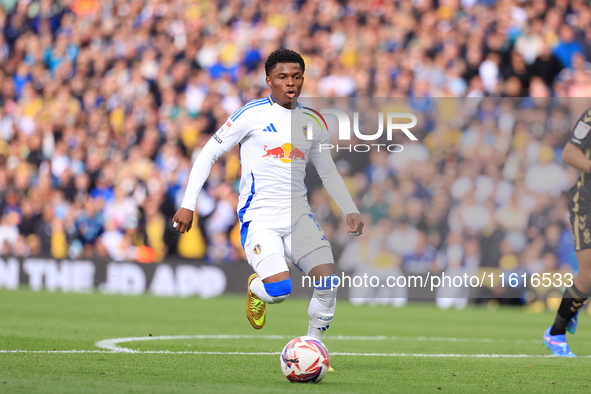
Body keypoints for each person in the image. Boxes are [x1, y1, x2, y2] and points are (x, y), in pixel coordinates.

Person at [172, 49, 363, 346]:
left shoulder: (314, 122)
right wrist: (188, 203)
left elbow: (328, 171)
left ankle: (313, 347)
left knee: (328, 283)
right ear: (268, 80)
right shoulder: (252, 114)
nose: (290, 83)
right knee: (279, 291)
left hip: (299, 216)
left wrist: (349, 208)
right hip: (260, 218)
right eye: (282, 77)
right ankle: (256, 289)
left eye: (296, 77)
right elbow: (209, 152)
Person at [543, 107, 591, 357]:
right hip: (587, 204)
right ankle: (555, 333)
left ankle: (574, 299)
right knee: (589, 275)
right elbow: (570, 153)